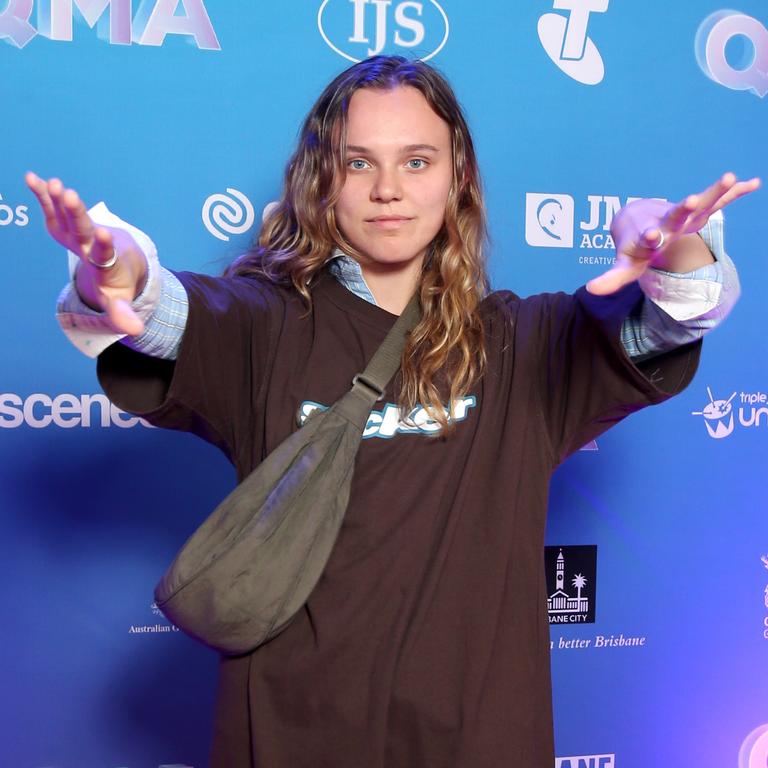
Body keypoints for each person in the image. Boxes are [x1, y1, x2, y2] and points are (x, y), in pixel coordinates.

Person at [26, 56, 759, 767]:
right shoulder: (261, 326)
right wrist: (109, 267)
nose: (387, 189)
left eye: (416, 161)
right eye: (358, 162)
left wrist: (670, 244)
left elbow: (675, 318)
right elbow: (156, 309)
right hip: (292, 735)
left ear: (456, 177)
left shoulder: (522, 344)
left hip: (477, 739)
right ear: (323, 180)